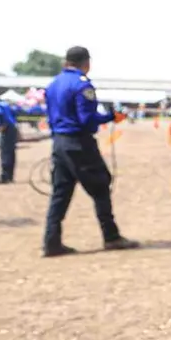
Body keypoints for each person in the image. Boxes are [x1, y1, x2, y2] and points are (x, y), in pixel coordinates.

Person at [42, 46, 139, 257]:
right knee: (101, 187)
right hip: (79, 144)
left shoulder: (53, 84)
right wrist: (111, 117)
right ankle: (111, 237)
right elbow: (86, 119)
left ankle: (51, 242)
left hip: (59, 143)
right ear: (86, 62)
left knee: (60, 193)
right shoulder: (81, 84)